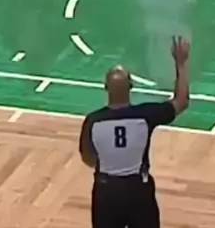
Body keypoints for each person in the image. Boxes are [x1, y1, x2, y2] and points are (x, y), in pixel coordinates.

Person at [79, 37, 190, 228]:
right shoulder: (145, 116)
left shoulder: (93, 121)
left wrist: (111, 164)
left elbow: (87, 156)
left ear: (105, 87)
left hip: (106, 192)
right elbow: (181, 101)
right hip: (138, 190)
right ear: (132, 86)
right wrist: (180, 64)